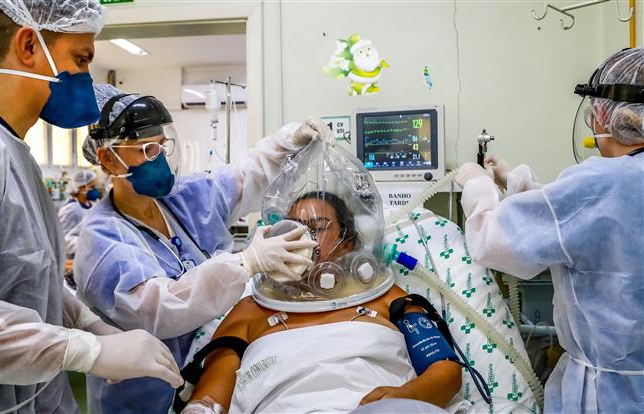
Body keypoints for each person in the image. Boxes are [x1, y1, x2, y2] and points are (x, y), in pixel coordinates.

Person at [74, 84, 332, 413]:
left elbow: (244, 178)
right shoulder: (102, 241)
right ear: (109, 159)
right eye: (147, 149)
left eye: (163, 145)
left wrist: (288, 142)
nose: (160, 158)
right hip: (145, 396)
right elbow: (158, 311)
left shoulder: (180, 199)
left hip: (209, 369)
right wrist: (245, 264)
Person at [0, 2, 184, 413]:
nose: (87, 80)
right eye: (81, 59)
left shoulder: (12, 152)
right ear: (28, 45)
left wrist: (87, 324)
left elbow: (26, 280)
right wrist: (83, 351)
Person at [454, 48, 644, 413]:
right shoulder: (610, 186)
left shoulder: (600, 182)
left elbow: (494, 242)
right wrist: (521, 184)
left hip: (613, 395)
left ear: (607, 115)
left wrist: (478, 186)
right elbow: (590, 219)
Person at [181, 192, 463, 413]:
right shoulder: (250, 309)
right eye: (292, 228)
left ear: (347, 241)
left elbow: (446, 371)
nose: (301, 238)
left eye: (316, 228)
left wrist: (406, 397)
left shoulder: (387, 297)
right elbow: (209, 401)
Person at [58, 169, 102, 256]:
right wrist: (89, 245)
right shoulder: (70, 209)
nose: (95, 190)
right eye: (92, 187)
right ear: (80, 187)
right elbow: (62, 240)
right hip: (73, 257)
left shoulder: (92, 205)